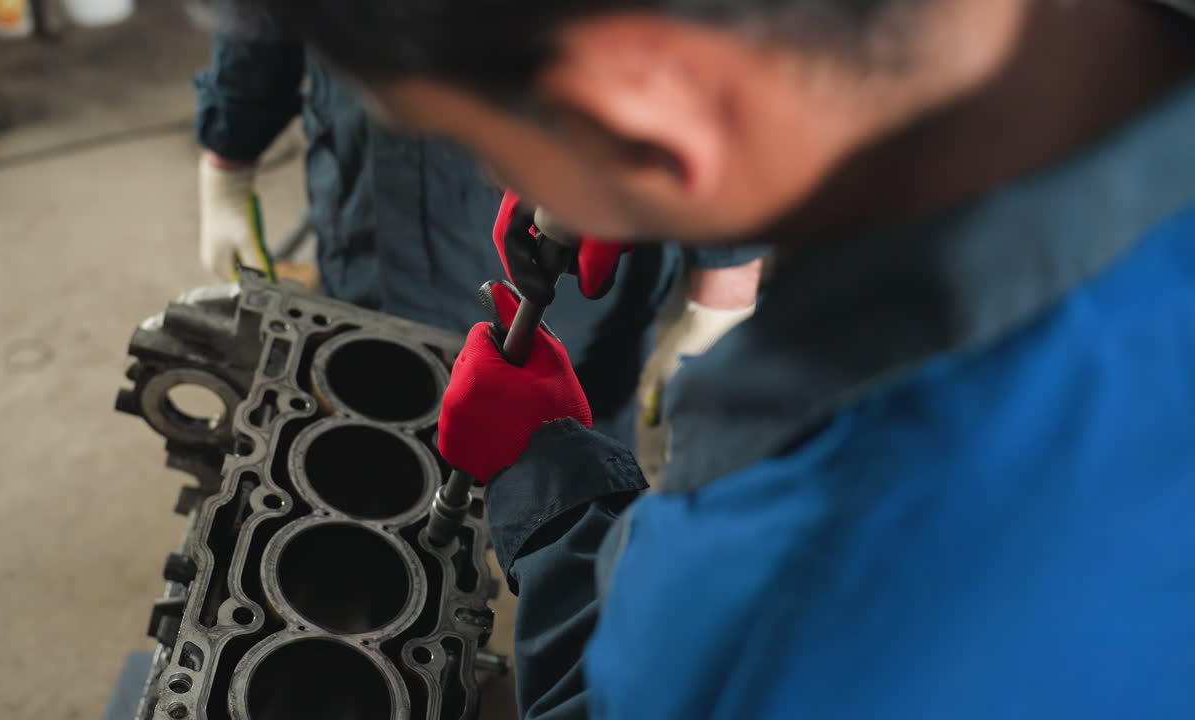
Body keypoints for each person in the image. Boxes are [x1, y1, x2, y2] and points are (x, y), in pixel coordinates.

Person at [238, 0, 1195, 717]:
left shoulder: (774, 599)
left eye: (478, 142)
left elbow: (620, 694)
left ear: (644, 123)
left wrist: (552, 482)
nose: (499, 177)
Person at [192, 26, 764, 446]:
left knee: (568, 451)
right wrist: (230, 151)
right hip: (369, 211)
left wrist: (726, 275)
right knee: (373, 417)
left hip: (576, 240)